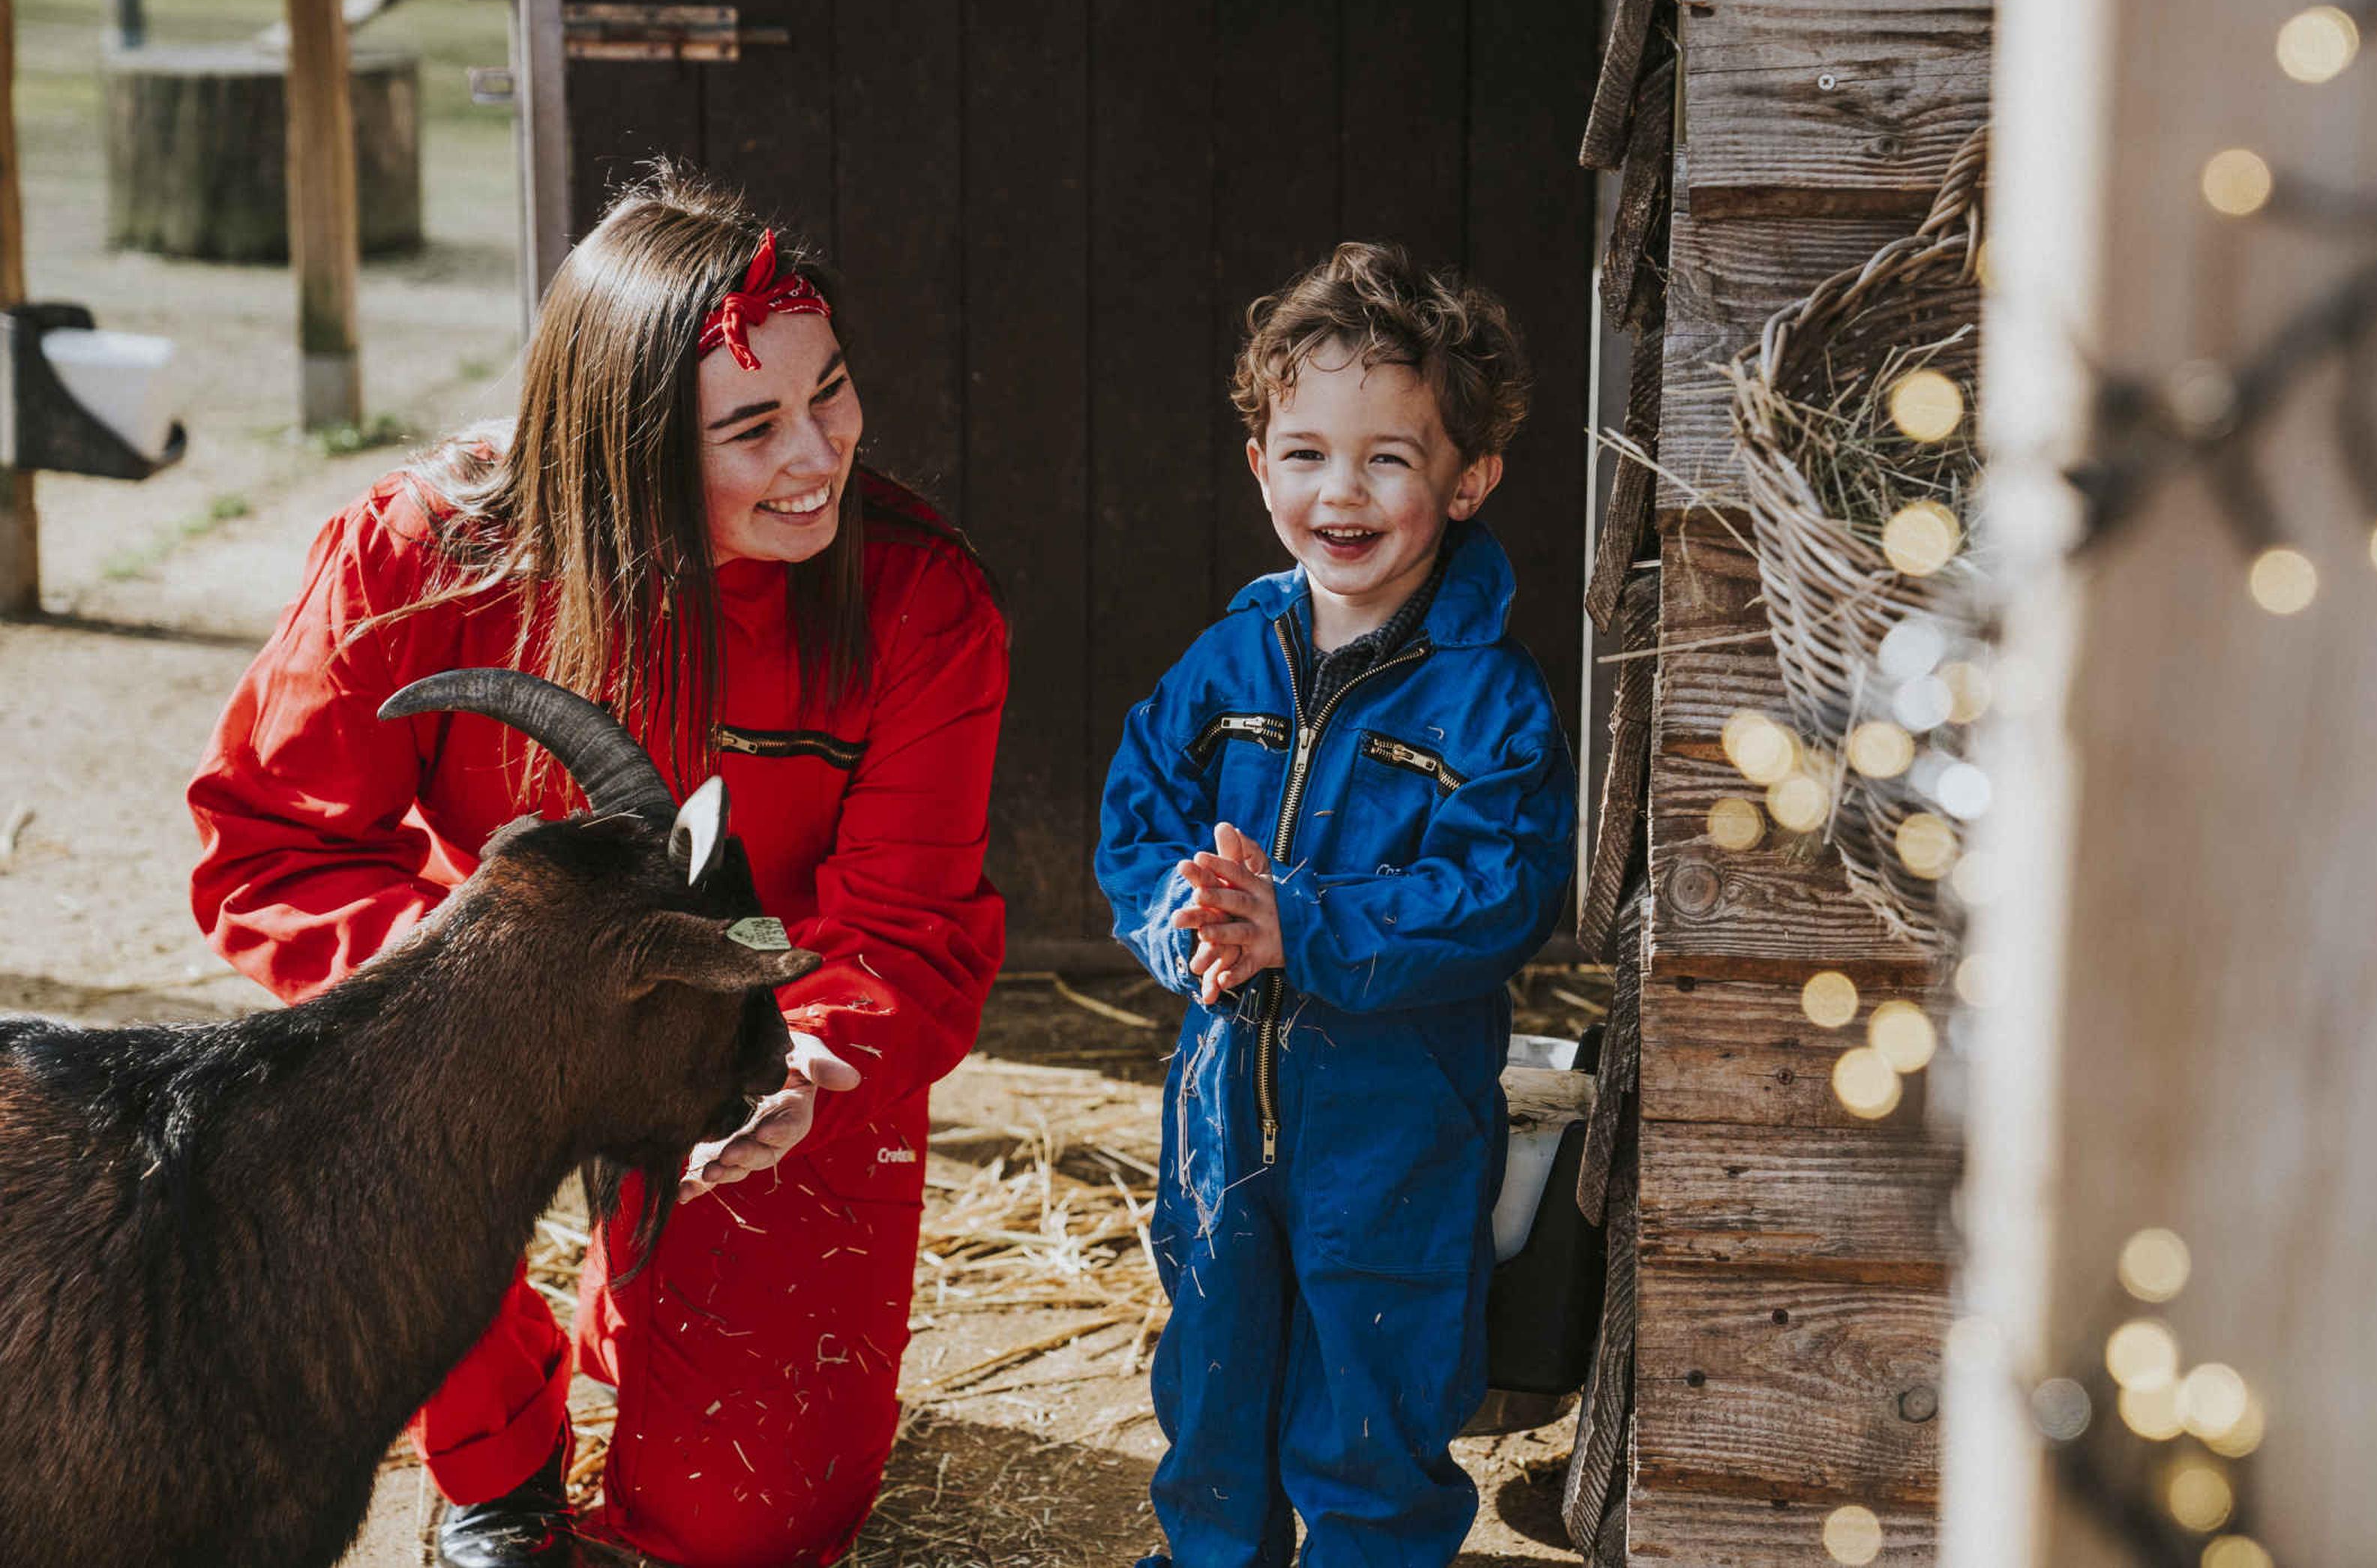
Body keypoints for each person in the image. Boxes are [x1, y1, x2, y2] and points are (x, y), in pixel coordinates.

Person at [186, 168, 1009, 1568]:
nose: (818, 455)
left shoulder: (916, 596)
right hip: (483, 1003)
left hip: (772, 1018)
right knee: (341, 1117)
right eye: (752, 425)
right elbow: (276, 838)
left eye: (833, 393)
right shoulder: (426, 552)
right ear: (624, 446)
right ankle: (496, 1455)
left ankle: (647, 1283)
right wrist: (447, 994)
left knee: (746, 1521)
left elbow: (912, 930)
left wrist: (808, 1054)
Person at [1096, 242, 1577, 1568]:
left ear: (1468, 481)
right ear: (1261, 464)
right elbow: (1138, 812)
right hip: (1220, 1106)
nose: (1340, 492)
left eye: (1389, 458)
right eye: (1305, 453)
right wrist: (1180, 915)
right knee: (1211, 1387)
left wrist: (1299, 920)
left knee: (1373, 1411)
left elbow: (1501, 890)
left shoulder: (1489, 698)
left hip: (1396, 1127)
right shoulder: (1230, 655)